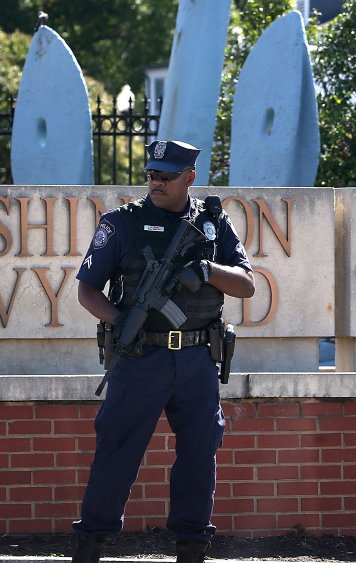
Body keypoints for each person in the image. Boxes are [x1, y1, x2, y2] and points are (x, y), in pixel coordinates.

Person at [72, 140, 255, 563]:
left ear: (189, 177)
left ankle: (192, 547)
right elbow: (87, 289)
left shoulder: (214, 224)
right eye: (151, 174)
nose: (156, 182)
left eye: (166, 175)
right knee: (116, 452)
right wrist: (124, 325)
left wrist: (207, 270)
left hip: (196, 360)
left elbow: (246, 283)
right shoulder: (121, 223)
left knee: (199, 455)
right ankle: (90, 545)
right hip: (140, 358)